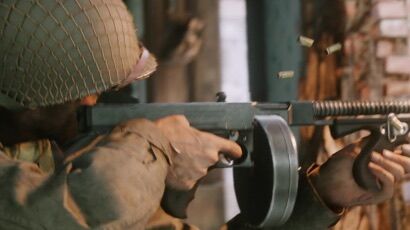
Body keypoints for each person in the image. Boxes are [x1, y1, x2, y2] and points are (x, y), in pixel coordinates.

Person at [0, 1, 409, 229]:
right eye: (83, 93)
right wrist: (156, 146)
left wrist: (322, 195)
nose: (93, 104)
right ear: (29, 97)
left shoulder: (47, 159)